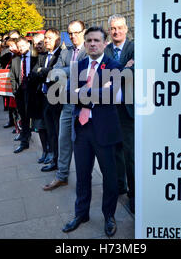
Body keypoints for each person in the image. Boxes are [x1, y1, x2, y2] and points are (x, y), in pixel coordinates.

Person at [62, 26, 122, 237]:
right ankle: (81, 213)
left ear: (105, 43)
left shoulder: (114, 65)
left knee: (110, 176)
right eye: (89, 40)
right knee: (82, 174)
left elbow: (112, 95)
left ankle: (109, 216)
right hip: (82, 128)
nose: (92, 43)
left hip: (104, 129)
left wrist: (83, 92)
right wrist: (93, 93)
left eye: (97, 40)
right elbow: (69, 94)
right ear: (85, 43)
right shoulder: (78, 65)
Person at [43, 20, 87, 190]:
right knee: (63, 141)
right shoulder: (66, 51)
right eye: (70, 33)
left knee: (84, 145)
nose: (73, 36)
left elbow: (83, 72)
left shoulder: (89, 50)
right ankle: (62, 176)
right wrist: (69, 70)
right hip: (68, 103)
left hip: (85, 106)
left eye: (76, 32)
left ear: (84, 31)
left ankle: (85, 182)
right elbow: (56, 71)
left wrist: (67, 71)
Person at [104, 14, 136, 214]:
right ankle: (120, 186)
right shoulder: (104, 50)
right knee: (114, 151)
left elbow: (136, 73)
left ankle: (134, 195)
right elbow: (100, 75)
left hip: (128, 109)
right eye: (113, 28)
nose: (116, 31)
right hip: (109, 108)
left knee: (130, 154)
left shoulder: (134, 48)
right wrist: (125, 68)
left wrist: (117, 74)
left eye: (120, 28)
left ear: (126, 28)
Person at [32, 28, 63, 172]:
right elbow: (33, 73)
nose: (46, 41)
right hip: (44, 99)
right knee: (49, 131)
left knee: (57, 132)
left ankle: (58, 161)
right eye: (45, 38)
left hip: (56, 99)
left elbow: (56, 74)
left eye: (49, 38)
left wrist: (42, 72)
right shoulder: (43, 56)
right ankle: (53, 158)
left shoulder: (61, 55)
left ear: (58, 39)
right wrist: (44, 73)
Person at [28, 33, 50, 163]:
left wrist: (39, 72)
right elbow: (32, 75)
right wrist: (39, 72)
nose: (37, 46)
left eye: (40, 43)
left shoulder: (49, 56)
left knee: (50, 128)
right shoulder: (35, 57)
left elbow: (41, 74)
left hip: (48, 98)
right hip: (37, 98)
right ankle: (45, 151)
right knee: (40, 127)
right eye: (35, 44)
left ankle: (51, 152)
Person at [10, 37, 33, 153]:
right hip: (20, 93)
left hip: (33, 94)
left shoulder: (35, 58)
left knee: (39, 121)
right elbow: (12, 76)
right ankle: (24, 142)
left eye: (23, 46)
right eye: (19, 47)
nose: (21, 48)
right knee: (23, 119)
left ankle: (47, 149)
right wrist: (15, 91)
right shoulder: (16, 60)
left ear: (28, 44)